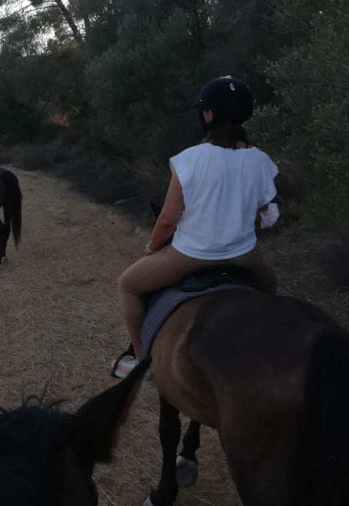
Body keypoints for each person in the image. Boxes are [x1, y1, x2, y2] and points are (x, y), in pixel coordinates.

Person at [112, 76, 279, 379]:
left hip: (190, 255)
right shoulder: (262, 161)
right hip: (245, 256)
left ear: (208, 114)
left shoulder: (190, 158)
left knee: (128, 285)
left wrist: (152, 248)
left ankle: (140, 361)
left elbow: (167, 219)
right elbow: (267, 215)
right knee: (270, 289)